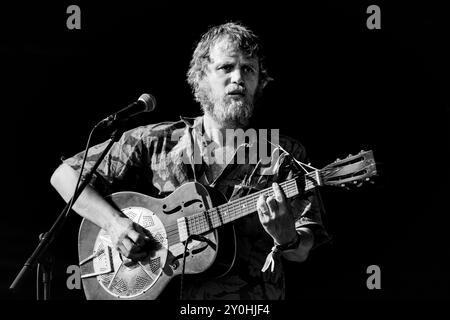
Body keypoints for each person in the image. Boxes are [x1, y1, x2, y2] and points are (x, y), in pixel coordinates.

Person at [50, 22, 329, 300]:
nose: (238, 79)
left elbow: (302, 250)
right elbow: (64, 176)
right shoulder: (157, 141)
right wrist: (114, 223)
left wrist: (287, 238)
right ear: (201, 77)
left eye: (248, 69)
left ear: (259, 82)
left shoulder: (282, 153)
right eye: (226, 68)